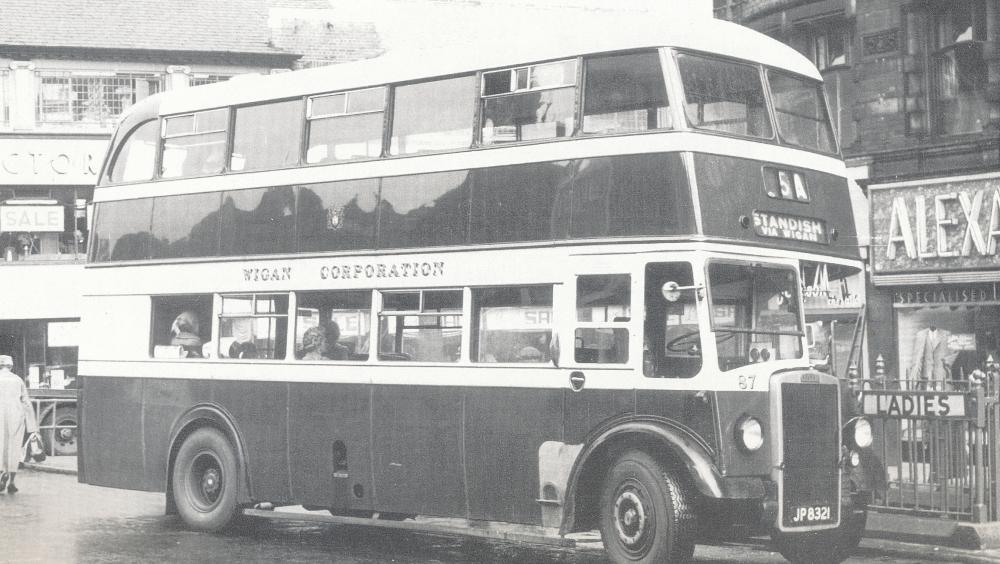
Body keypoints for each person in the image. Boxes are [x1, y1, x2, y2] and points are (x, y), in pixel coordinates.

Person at [0, 355, 38, 494]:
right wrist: (32, 427)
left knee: (0, 447)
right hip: (16, 417)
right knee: (14, 447)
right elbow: (26, 402)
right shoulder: (18, 380)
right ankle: (12, 481)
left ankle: (1, 473)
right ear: (11, 366)